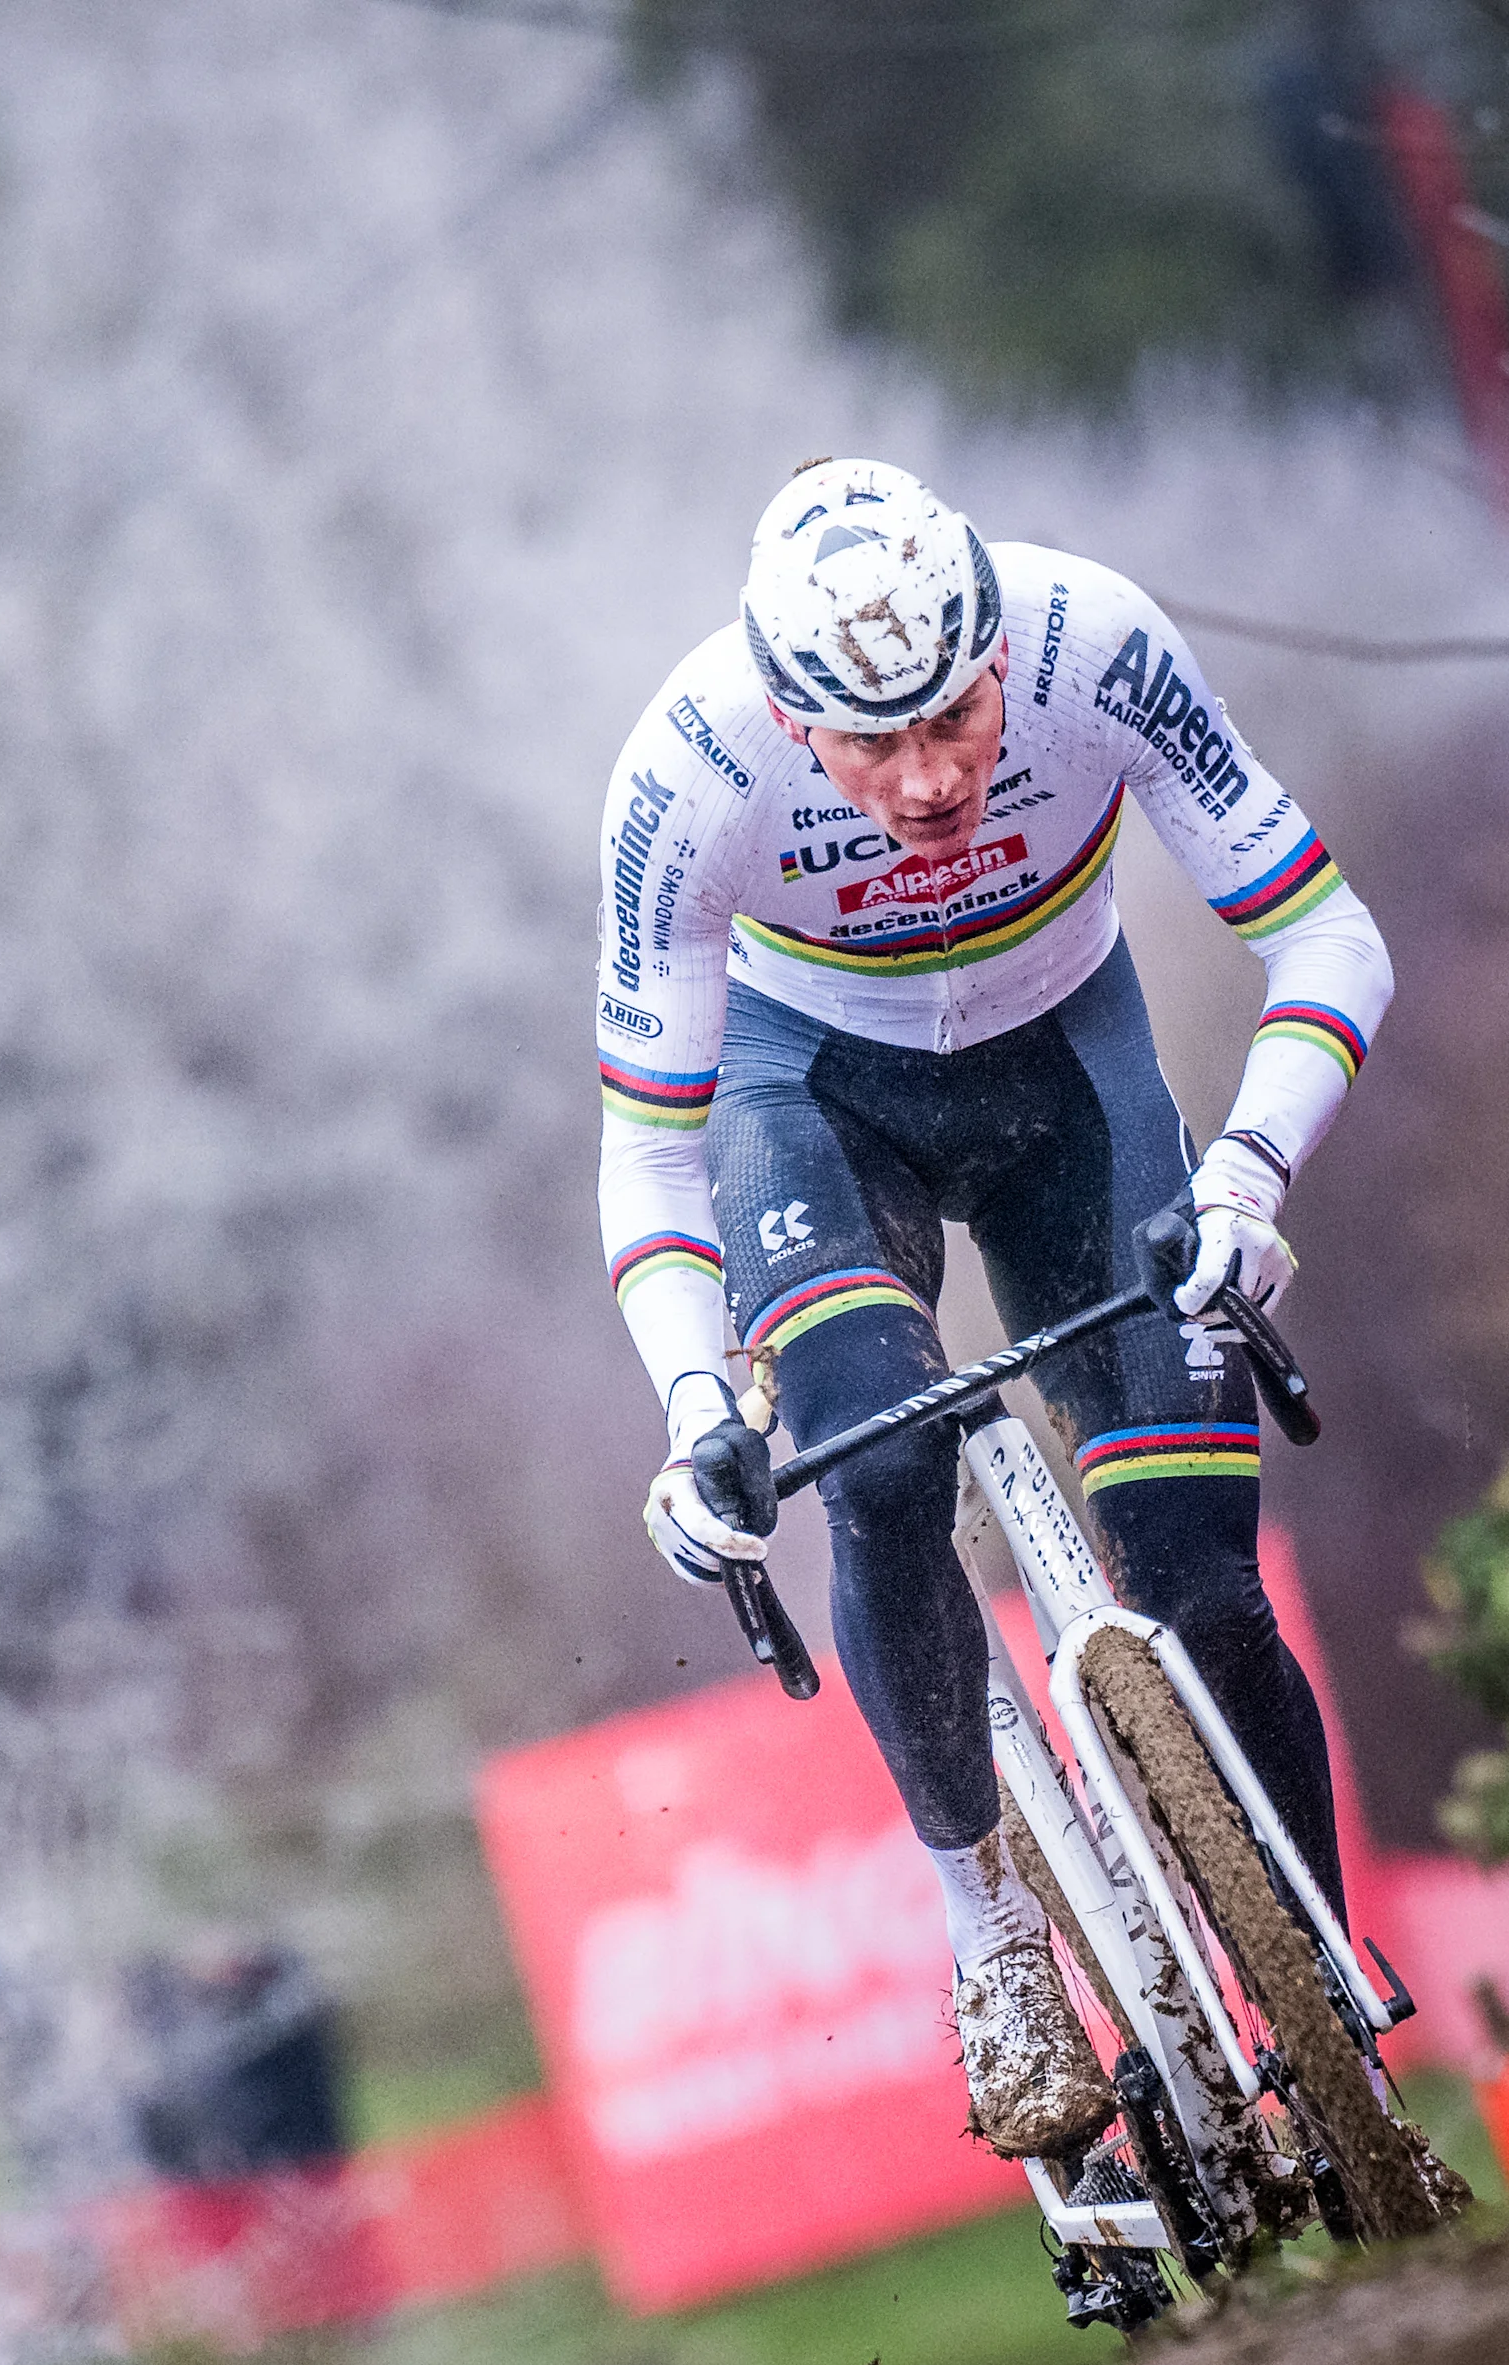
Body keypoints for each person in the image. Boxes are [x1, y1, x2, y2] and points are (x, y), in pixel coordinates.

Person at [591, 458, 1392, 2155]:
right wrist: (690, 1410)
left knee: (1196, 1584)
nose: (932, 777)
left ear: (1001, 656)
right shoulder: (687, 767)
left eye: (957, 718)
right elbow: (648, 1156)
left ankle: (1337, 2038)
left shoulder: (1096, 641)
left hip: (1071, 1086)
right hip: (815, 1104)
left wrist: (1247, 1176)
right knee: (876, 1468)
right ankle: (993, 1938)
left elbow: (1328, 938)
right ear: (791, 724)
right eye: (872, 748)